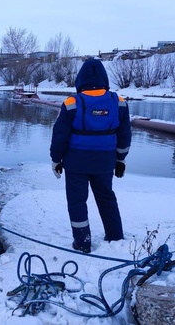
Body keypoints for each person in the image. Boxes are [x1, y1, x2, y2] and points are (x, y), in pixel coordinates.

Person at [49, 58, 132, 254]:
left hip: (76, 162)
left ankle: (82, 242)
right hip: (105, 162)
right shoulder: (118, 102)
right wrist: (120, 159)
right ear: (104, 78)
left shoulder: (71, 103)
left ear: (80, 80)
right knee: (106, 198)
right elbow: (125, 134)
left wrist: (56, 159)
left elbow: (60, 134)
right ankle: (115, 237)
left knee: (77, 202)